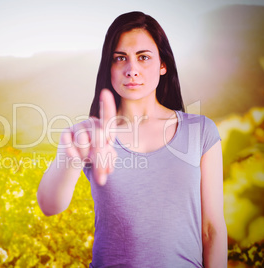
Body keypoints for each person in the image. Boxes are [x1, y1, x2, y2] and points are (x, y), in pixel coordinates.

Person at [37, 11, 227, 267]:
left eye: (143, 57)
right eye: (120, 58)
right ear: (110, 67)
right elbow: (50, 205)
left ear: (163, 65)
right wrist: (72, 157)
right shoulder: (90, 134)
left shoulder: (201, 131)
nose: (131, 69)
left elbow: (211, 229)